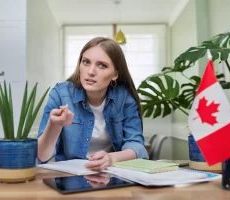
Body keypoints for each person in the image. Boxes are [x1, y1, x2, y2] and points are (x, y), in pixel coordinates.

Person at [37, 37, 149, 171]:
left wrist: (111, 158)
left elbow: (136, 145)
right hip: (69, 176)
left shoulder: (124, 98)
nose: (91, 72)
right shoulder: (61, 94)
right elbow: (42, 156)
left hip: (111, 175)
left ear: (115, 74)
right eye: (86, 62)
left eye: (102, 65)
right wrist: (54, 125)